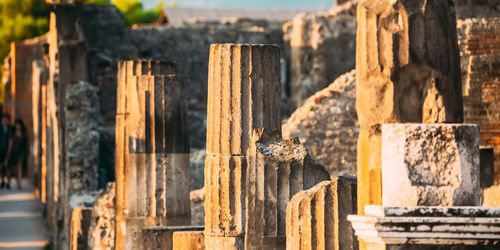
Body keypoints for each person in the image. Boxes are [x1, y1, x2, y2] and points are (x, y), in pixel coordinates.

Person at [4, 119, 28, 190]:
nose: (18, 126)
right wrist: (8, 154)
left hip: (21, 153)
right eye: (17, 125)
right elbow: (10, 144)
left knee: (19, 167)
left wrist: (27, 152)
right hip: (14, 153)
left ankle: (19, 184)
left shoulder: (23, 134)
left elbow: (26, 144)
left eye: (19, 125)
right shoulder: (13, 133)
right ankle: (15, 181)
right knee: (14, 169)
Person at [0, 114, 12, 189]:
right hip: (1, 151)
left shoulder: (11, 129)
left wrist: (9, 152)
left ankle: (8, 182)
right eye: (4, 120)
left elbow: (11, 141)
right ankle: (2, 181)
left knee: (8, 167)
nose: (5, 122)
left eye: (6, 120)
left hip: (8, 151)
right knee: (1, 167)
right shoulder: (0, 129)